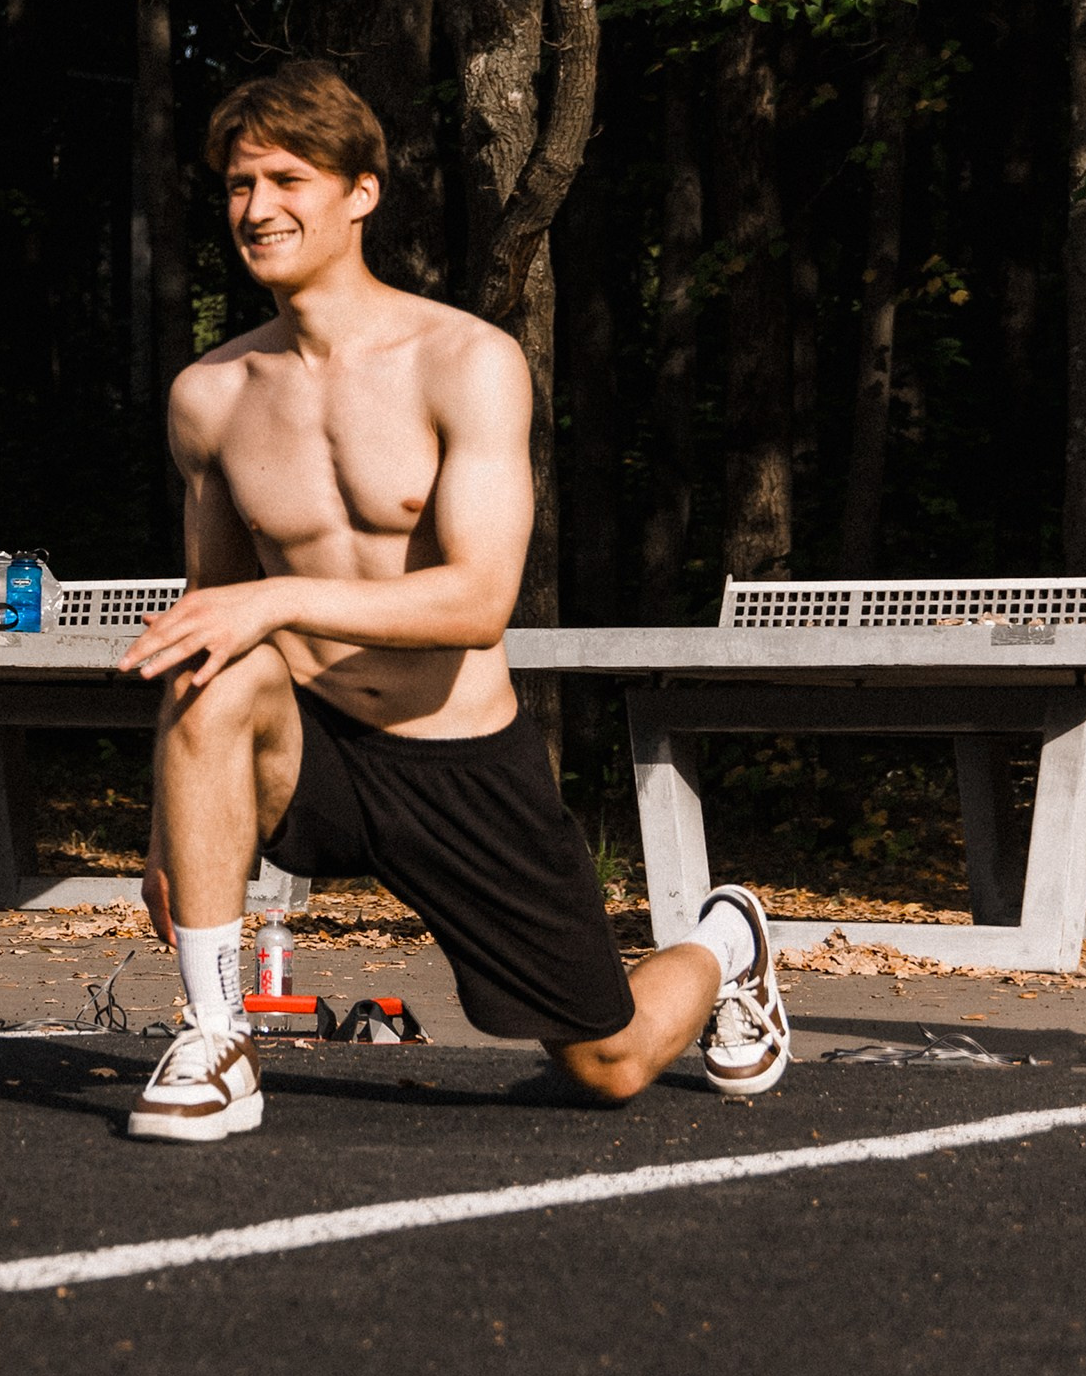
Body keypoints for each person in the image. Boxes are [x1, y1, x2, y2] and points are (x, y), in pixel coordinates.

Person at [115, 60, 787, 1142]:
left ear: (361, 192)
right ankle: (215, 1037)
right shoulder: (210, 396)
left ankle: (727, 942)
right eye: (239, 185)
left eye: (286, 179)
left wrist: (275, 600)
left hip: (456, 754)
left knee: (608, 1064)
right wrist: (165, 826)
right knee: (230, 663)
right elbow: (210, 621)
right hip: (314, 747)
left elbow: (478, 602)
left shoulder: (463, 360)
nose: (257, 207)